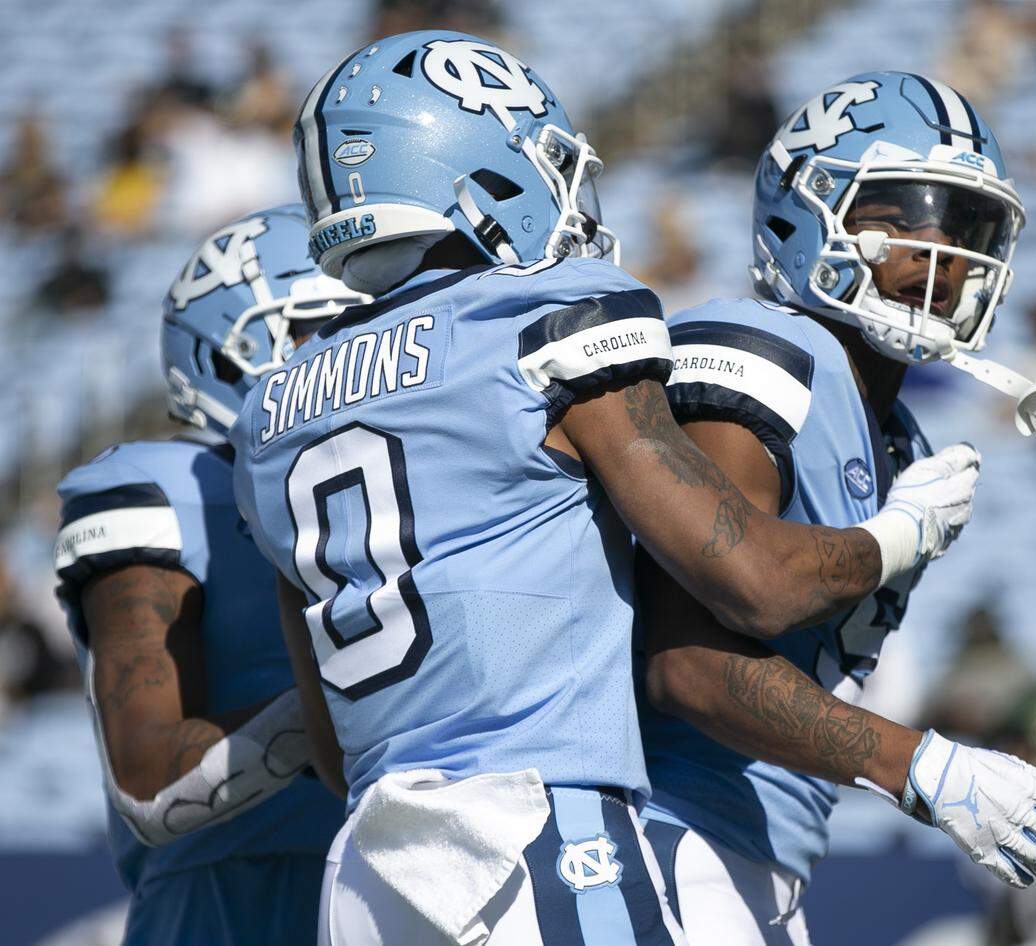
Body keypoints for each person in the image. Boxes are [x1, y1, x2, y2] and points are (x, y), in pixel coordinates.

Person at [232, 34, 983, 946]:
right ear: (470, 172)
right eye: (548, 166)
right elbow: (754, 580)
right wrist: (899, 535)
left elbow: (326, 746)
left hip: (363, 867)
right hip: (529, 827)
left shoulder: (271, 409)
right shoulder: (540, 316)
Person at [637, 73, 1036, 946]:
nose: (938, 251)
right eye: (899, 217)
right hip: (666, 823)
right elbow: (689, 663)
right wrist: (919, 764)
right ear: (802, 216)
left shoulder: (900, 437)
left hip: (756, 846)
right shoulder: (766, 352)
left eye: (962, 227)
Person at [52, 205, 368, 946]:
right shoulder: (166, 491)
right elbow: (150, 777)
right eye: (327, 330)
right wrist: (372, 700)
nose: (354, 353)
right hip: (229, 908)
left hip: (394, 879)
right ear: (232, 353)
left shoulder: (400, 479)